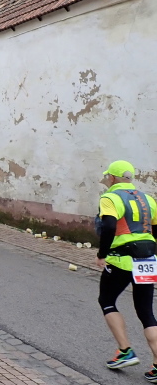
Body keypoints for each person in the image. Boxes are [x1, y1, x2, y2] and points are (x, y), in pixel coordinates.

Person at [95, 160, 157, 380]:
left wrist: (102, 254)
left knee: (106, 300)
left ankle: (125, 351)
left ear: (112, 177)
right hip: (147, 258)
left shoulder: (110, 197)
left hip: (121, 259)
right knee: (146, 311)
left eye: (108, 177)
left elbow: (109, 226)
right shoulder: (148, 199)